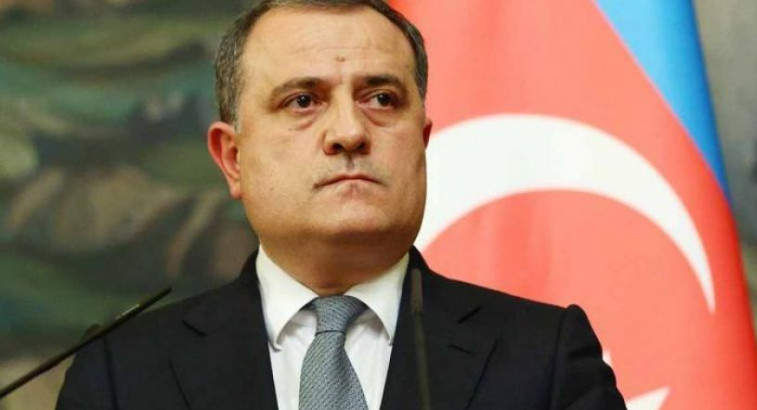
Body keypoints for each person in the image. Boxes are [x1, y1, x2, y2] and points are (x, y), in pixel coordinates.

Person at [57, 1, 626, 409]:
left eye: (381, 98)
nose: (350, 132)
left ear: (421, 142)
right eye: (303, 101)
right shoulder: (123, 375)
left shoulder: (544, 359)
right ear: (233, 159)